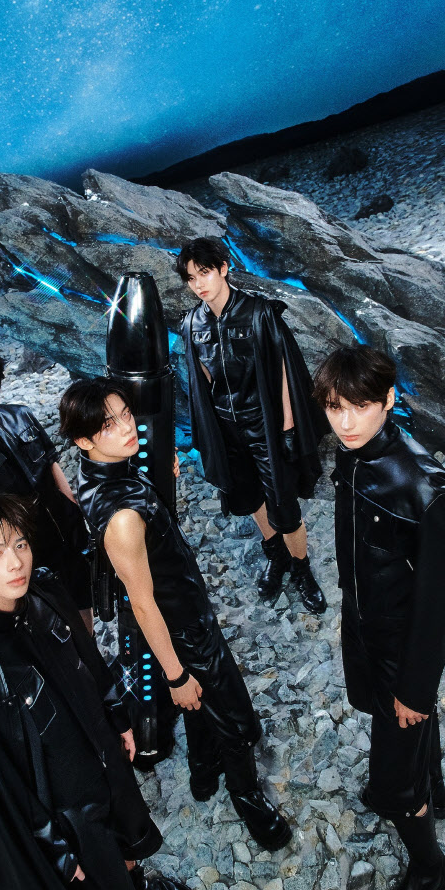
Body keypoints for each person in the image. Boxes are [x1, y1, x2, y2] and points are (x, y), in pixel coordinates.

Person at [0, 492, 195, 890]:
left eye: (20, 544)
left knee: (129, 841)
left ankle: (135, 884)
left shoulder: (43, 591)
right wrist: (54, 852)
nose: (15, 563)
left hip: (103, 759)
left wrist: (117, 716)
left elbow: (88, 658)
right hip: (69, 819)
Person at [59, 377, 292, 851]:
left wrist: (155, 487)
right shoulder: (122, 518)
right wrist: (175, 675)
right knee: (237, 721)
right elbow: (143, 604)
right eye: (109, 425)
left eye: (126, 414)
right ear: (83, 440)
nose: (127, 427)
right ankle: (247, 798)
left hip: (182, 609)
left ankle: (203, 773)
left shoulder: (103, 473)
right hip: (182, 626)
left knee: (203, 705)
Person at [313, 345, 445, 890]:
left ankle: (430, 870)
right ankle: (431, 783)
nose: (346, 422)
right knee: (400, 740)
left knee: (390, 782)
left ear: (389, 399)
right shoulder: (352, 457)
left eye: (360, 406)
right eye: (335, 407)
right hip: (365, 630)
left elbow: (441, 601)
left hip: (404, 654)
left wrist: (416, 688)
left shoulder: (428, 489)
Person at [177, 237, 328, 613]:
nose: (199, 284)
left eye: (205, 272)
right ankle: (276, 555)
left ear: (223, 268)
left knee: (283, 503)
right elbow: (203, 379)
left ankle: (302, 568)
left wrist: (288, 428)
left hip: (265, 425)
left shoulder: (259, 313)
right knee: (248, 496)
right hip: (227, 428)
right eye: (191, 277)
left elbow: (284, 374)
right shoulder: (193, 323)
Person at [0, 342, 93, 631]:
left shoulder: (21, 415)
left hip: (66, 531)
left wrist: (72, 507)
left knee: (85, 606)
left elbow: (51, 463)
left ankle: (91, 653)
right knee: (51, 625)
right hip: (28, 553)